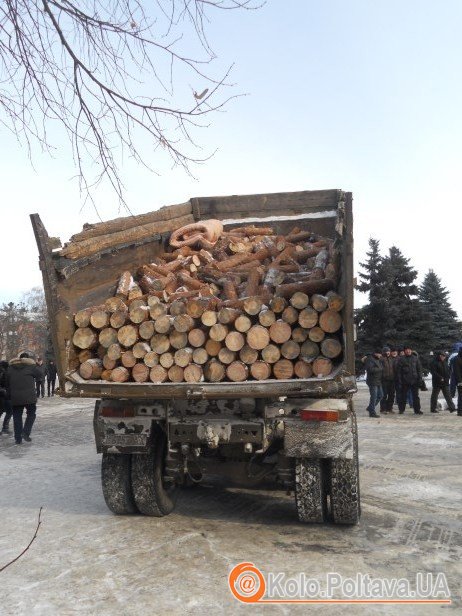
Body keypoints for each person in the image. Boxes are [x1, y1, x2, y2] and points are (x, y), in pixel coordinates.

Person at [7, 352, 42, 445]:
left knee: (17, 417)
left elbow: (6, 381)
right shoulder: (31, 367)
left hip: (15, 397)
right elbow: (40, 375)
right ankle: (25, 432)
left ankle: (18, 439)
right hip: (29, 397)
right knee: (31, 414)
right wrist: (36, 364)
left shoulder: (10, 368)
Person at [396, 345, 423, 415]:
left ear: (411, 350)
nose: (408, 351)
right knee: (403, 396)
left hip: (414, 380)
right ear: (404, 351)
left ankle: (417, 410)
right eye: (406, 350)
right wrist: (400, 380)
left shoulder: (415, 358)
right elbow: (399, 371)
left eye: (409, 349)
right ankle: (401, 410)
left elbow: (419, 369)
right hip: (405, 381)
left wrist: (420, 378)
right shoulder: (401, 359)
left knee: (416, 396)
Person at [364, 350, 383, 418]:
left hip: (378, 381)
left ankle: (370, 407)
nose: (380, 355)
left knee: (380, 395)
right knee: (374, 397)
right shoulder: (370, 359)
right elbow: (370, 369)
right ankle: (372, 412)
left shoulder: (378, 359)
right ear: (376, 353)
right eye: (379, 354)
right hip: (372, 381)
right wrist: (380, 369)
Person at [380, 346, 395, 414]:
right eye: (386, 351)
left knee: (391, 395)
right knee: (384, 395)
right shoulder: (381, 359)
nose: (388, 352)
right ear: (384, 352)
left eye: (389, 351)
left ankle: (389, 408)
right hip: (384, 380)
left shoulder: (391, 359)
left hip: (392, 379)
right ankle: (383, 409)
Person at [0, 360, 13, 434]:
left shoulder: (6, 372)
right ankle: (5, 427)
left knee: (8, 411)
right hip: (4, 396)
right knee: (8, 411)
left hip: (6, 395)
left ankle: (5, 427)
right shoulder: (4, 373)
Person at [452, 347, 462, 417]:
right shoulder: (456, 359)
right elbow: (456, 372)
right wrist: (460, 382)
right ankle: (460, 411)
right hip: (460, 381)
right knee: (461, 396)